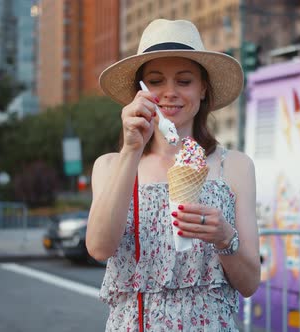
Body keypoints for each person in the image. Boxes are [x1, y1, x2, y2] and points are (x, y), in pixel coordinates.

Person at [86, 19, 261, 331]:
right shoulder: (111, 165)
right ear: (139, 91)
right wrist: (131, 150)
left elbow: (249, 284)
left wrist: (224, 237)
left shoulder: (233, 166)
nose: (169, 93)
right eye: (155, 81)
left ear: (203, 88)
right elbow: (99, 248)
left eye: (184, 81)